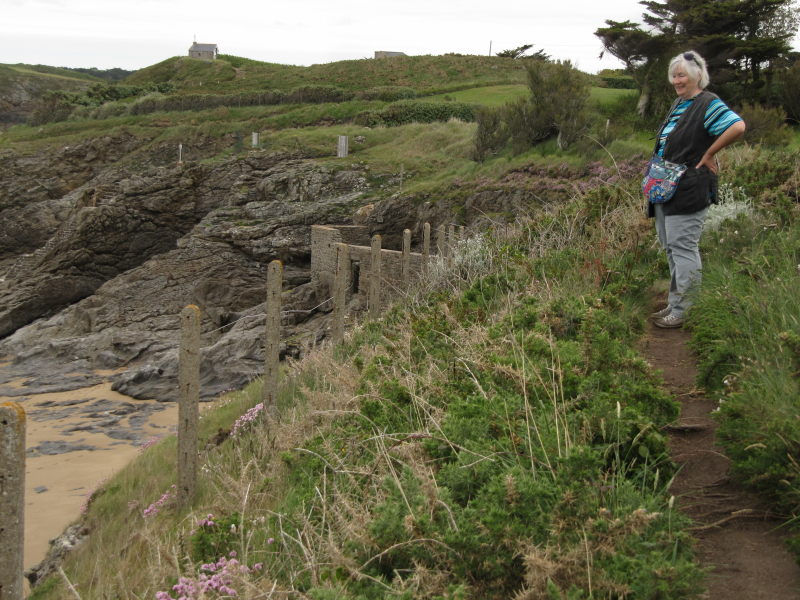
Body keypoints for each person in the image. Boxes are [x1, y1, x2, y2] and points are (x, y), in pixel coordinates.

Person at [649, 50, 746, 328]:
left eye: (683, 75)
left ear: (697, 76)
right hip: (665, 186)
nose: (677, 81)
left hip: (689, 187)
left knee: (683, 247)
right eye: (674, 76)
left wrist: (710, 152)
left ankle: (685, 310)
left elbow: (737, 126)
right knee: (671, 247)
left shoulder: (707, 102)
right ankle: (674, 303)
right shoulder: (681, 103)